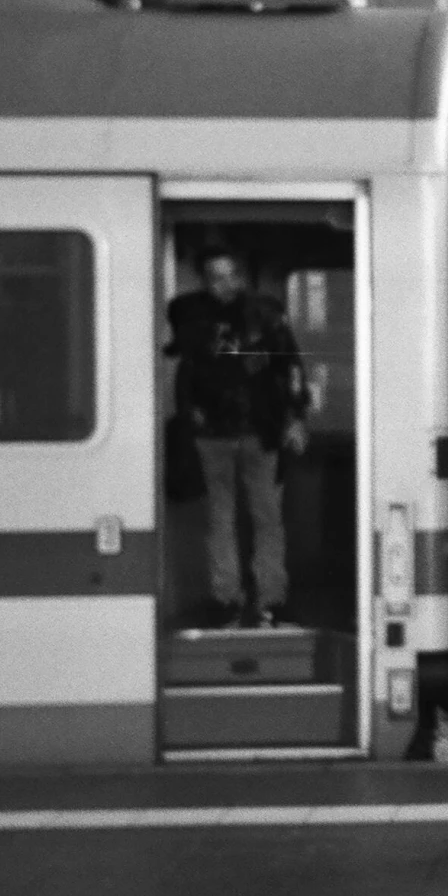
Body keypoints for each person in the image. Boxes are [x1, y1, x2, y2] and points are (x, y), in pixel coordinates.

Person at [167, 248, 309, 627]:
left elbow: (290, 364)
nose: (223, 285)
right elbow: (183, 366)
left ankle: (270, 598)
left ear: (242, 277)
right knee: (220, 519)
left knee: (267, 517)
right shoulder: (189, 314)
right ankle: (227, 597)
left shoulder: (265, 313)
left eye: (229, 275)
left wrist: (295, 417)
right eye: (214, 277)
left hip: (261, 430)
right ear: (203, 279)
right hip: (211, 433)